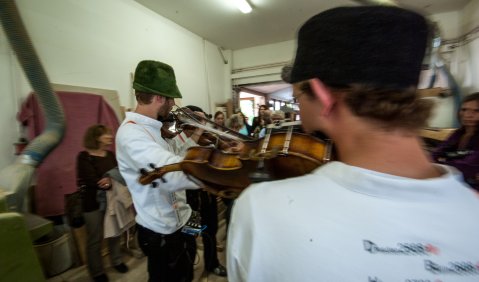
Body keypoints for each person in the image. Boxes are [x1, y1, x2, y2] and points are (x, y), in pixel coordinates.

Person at [227, 6, 479, 282]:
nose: (297, 103)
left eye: (298, 93)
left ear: (323, 96)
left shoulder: (261, 210)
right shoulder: (471, 209)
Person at [116, 60, 204, 282]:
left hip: (184, 217)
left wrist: (198, 139)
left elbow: (179, 159)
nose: (173, 105)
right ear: (159, 98)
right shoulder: (131, 134)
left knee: (187, 273)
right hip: (161, 231)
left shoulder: (160, 128)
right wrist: (222, 172)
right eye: (171, 99)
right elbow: (173, 174)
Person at [76, 124, 128, 282]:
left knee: (115, 233)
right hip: (93, 203)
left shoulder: (110, 154)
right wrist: (109, 180)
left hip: (113, 200)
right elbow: (91, 179)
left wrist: (110, 179)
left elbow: (119, 173)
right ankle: (97, 271)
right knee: (95, 238)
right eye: (107, 135)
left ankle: (117, 261)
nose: (110, 137)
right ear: (96, 137)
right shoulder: (84, 156)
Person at [432, 92, 479, 191]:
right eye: (464, 110)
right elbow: (435, 154)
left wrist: (443, 161)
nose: (468, 115)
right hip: (456, 182)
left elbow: (467, 167)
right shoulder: (459, 133)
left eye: (476, 111)